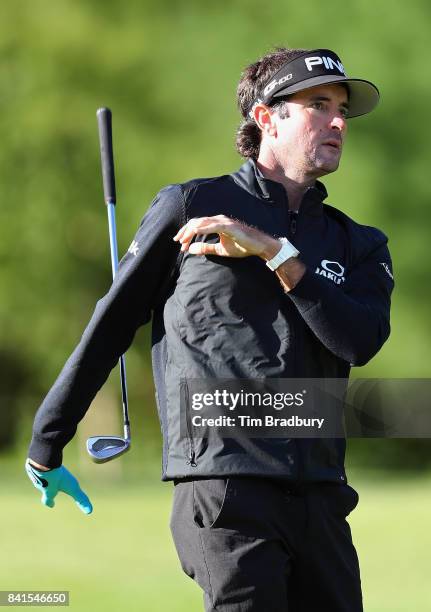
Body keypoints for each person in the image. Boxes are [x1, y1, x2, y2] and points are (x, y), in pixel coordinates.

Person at [26, 47, 394, 611]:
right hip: (225, 489)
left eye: (343, 109)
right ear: (268, 117)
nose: (339, 121)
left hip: (321, 494)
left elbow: (358, 341)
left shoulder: (359, 243)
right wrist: (47, 440)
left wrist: (275, 253)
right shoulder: (191, 206)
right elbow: (112, 322)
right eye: (319, 104)